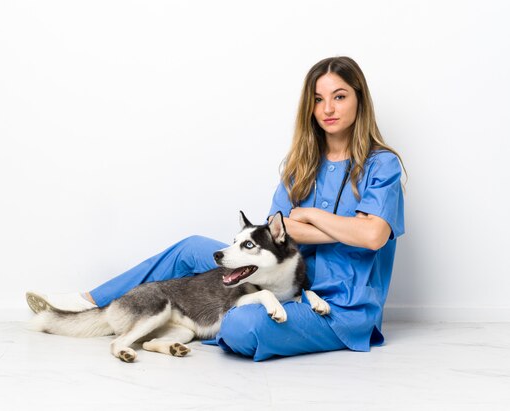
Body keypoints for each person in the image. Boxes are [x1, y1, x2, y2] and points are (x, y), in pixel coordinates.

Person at [26, 56, 405, 362]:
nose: (328, 109)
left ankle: (172, 326)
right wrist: (342, 227)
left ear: (359, 99)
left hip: (339, 308)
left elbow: (372, 237)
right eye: (318, 100)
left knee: (242, 327)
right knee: (191, 247)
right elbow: (277, 234)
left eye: (339, 96)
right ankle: (90, 302)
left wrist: (312, 217)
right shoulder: (301, 164)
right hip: (281, 281)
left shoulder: (380, 164)